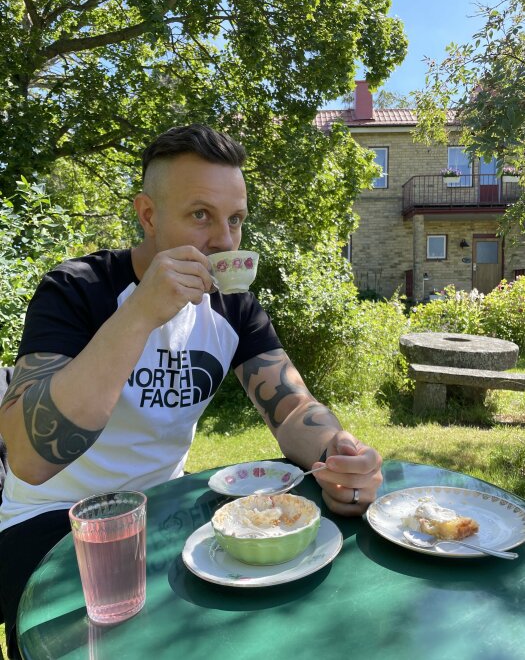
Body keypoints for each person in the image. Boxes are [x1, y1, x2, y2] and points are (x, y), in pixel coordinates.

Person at [0, 124, 382, 658]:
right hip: (49, 521)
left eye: (236, 220)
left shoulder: (233, 307)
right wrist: (141, 312)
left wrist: (339, 452)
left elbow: (291, 405)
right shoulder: (76, 289)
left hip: (166, 511)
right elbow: (27, 456)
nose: (224, 241)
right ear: (149, 216)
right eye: (200, 215)